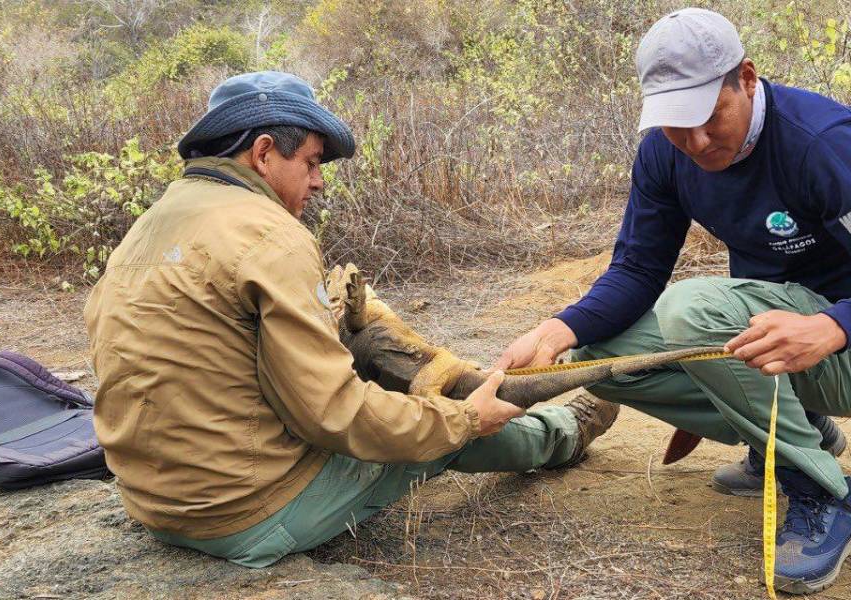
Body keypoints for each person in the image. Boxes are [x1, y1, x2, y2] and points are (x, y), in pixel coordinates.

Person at [496, 9, 851, 594]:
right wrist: (557, 329)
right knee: (589, 356)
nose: (696, 142)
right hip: (773, 342)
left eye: (709, 116)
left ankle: (820, 492)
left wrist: (832, 326)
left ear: (745, 77)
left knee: (692, 309)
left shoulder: (818, 140)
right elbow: (638, 269)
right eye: (674, 125)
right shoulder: (666, 156)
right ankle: (797, 428)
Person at [84, 71, 618, 568]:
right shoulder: (271, 236)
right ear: (265, 153)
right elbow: (332, 413)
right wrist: (461, 421)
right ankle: (562, 434)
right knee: (448, 425)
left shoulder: (150, 224)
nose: (318, 182)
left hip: (153, 504)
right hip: (246, 515)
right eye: (312, 163)